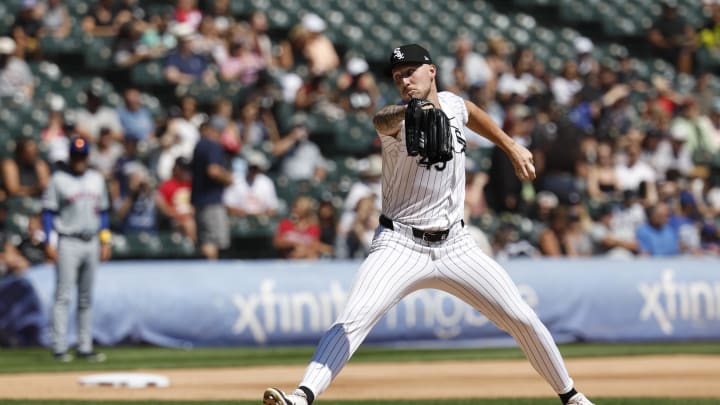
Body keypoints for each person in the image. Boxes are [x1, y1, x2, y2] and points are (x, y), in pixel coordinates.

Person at [262, 43, 595, 405]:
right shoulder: (394, 121)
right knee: (354, 319)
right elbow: (382, 120)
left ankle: (573, 398)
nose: (404, 80)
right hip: (400, 244)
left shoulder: (451, 104)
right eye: (397, 76)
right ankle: (301, 396)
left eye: (410, 71)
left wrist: (509, 145)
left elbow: (469, 110)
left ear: (431, 70)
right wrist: (407, 115)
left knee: (522, 318)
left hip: (456, 245)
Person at [41, 136, 111, 363]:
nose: (79, 159)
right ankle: (60, 347)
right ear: (70, 156)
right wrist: (48, 242)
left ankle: (84, 346)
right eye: (76, 155)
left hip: (91, 240)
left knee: (85, 298)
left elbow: (103, 212)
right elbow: (48, 212)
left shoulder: (97, 179)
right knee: (63, 296)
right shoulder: (59, 179)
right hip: (68, 240)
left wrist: (105, 240)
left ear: (88, 156)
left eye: (83, 155)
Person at [190, 120, 233, 260]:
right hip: (211, 201)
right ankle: (212, 277)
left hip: (200, 200)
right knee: (212, 242)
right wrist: (228, 178)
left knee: (206, 240)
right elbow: (213, 171)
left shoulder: (199, 145)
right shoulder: (211, 145)